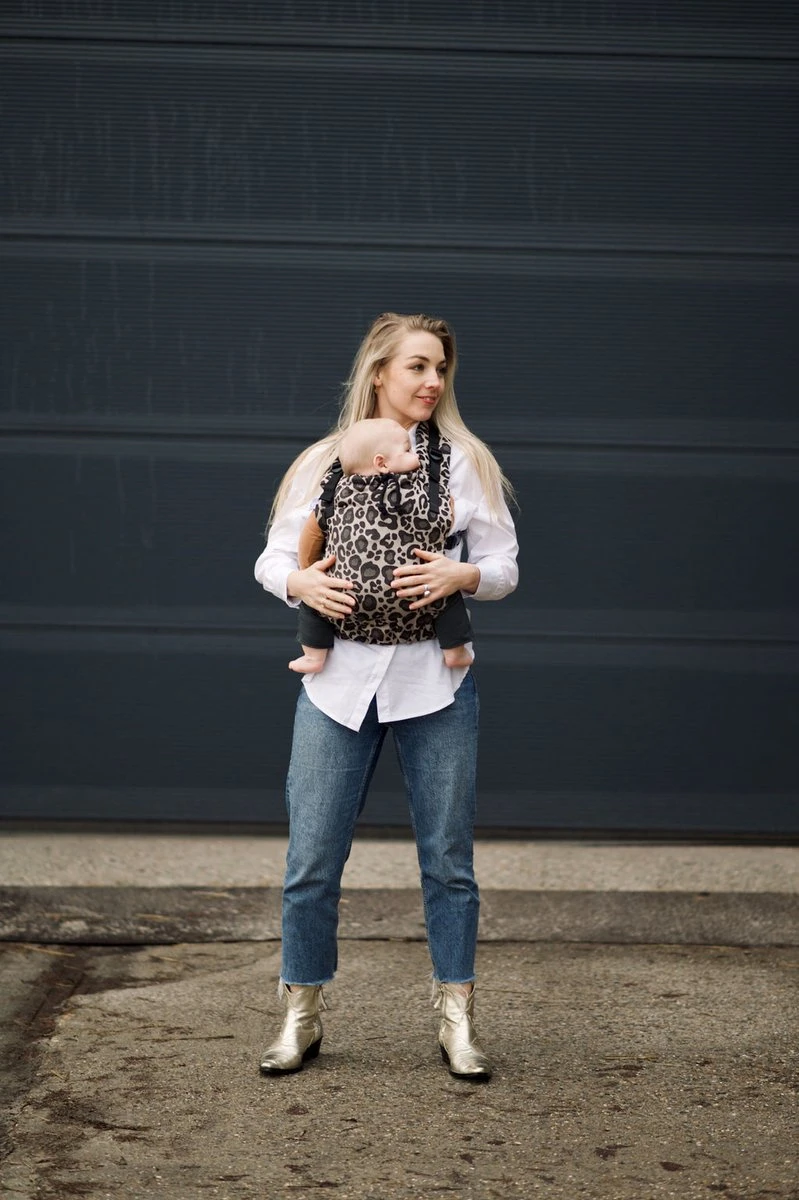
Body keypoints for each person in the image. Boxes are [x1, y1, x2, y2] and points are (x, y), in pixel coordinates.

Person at [253, 312, 519, 1081]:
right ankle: (300, 1014)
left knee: (448, 863)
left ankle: (456, 1017)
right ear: (379, 373)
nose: (433, 382)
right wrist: (299, 582)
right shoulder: (324, 460)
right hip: (335, 685)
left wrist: (463, 575)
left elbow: (504, 566)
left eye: (440, 368)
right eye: (417, 366)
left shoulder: (465, 463)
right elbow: (273, 558)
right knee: (311, 860)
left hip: (435, 682)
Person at [289, 416, 474, 675]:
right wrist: (453, 507)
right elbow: (445, 518)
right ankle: (455, 651)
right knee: (448, 600)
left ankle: (313, 655)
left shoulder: (337, 492)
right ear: (382, 462)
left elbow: (312, 532)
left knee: (314, 607)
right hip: (414, 593)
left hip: (347, 596)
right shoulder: (416, 489)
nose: (416, 457)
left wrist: (309, 571)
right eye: (407, 451)